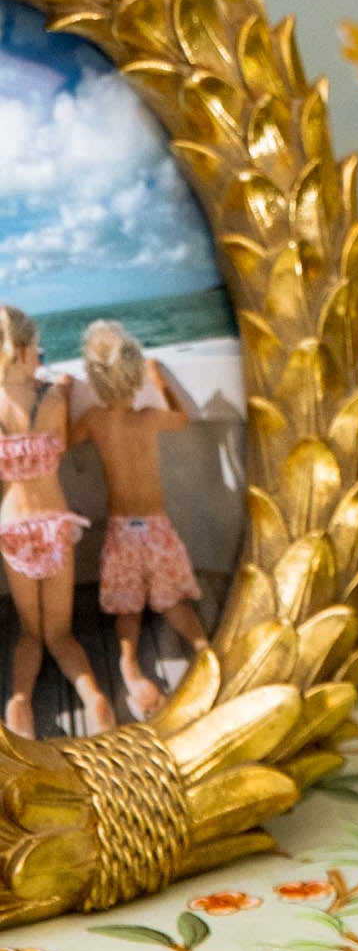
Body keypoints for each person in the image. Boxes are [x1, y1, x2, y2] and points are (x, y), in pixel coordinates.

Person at [76, 321, 209, 718]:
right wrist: (159, 379)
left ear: (95, 380)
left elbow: (65, 440)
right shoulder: (150, 417)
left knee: (127, 608)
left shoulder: (95, 420)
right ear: (135, 377)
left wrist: (63, 394)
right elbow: (182, 418)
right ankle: (204, 651)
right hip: (157, 529)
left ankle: (129, 668)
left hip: (122, 532)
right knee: (172, 604)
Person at [0, 304, 113, 738]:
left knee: (30, 634)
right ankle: (95, 697)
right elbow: (60, 447)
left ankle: (19, 704)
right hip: (54, 526)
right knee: (61, 635)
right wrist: (62, 384)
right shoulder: (53, 397)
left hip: (14, 531)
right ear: (25, 351)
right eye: (35, 348)